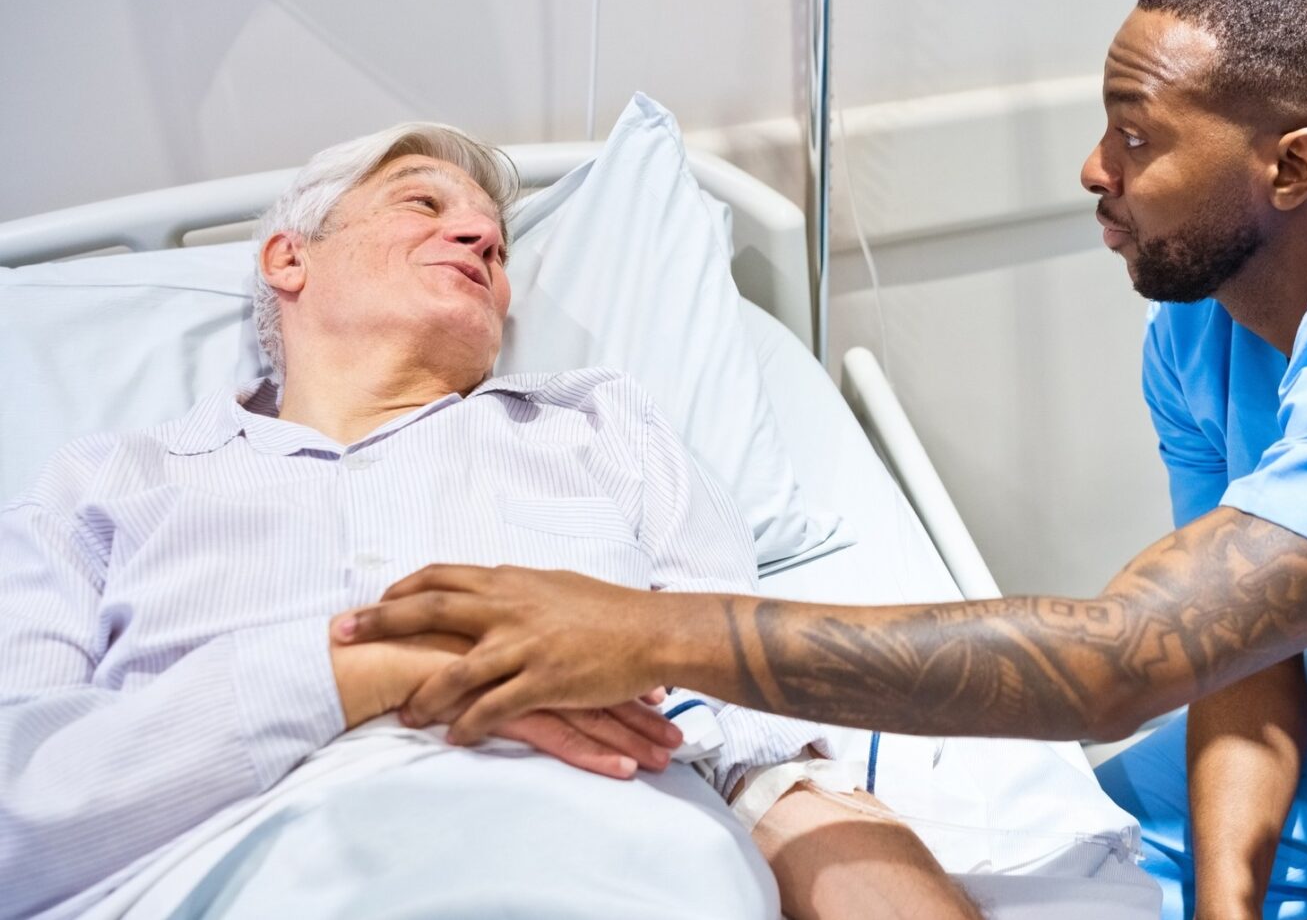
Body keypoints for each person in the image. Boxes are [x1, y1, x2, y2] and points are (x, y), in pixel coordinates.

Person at [331, 0, 1307, 919]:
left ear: (1291, 165)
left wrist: (651, 627)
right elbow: (1239, 647)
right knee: (1077, 887)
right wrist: (1228, 907)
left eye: (1136, 136)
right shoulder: (1205, 313)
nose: (1091, 169)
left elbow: (1131, 653)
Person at [0, 125, 982, 920]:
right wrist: (374, 671)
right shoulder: (107, 487)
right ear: (287, 259)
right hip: (230, 866)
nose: (477, 239)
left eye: (498, 242)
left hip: (614, 862)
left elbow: (751, 742)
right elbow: (24, 812)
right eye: (422, 204)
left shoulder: (594, 427)